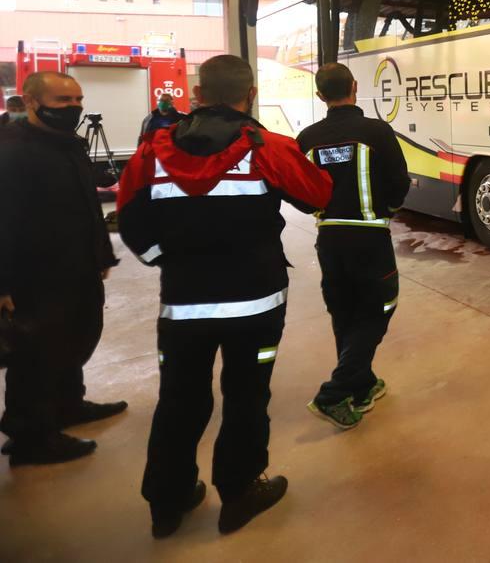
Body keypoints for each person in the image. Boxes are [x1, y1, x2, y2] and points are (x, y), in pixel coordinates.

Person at [116, 55, 332, 539]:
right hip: (256, 306)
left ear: (197, 94)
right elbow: (318, 194)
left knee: (178, 399)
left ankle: (167, 505)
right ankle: (238, 495)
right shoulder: (268, 147)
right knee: (247, 396)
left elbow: (128, 218)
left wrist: (162, 259)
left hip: (183, 305)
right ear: (250, 93)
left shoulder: (153, 150)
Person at [0, 72, 127, 465]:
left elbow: (88, 205)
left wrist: (102, 253)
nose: (73, 108)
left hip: (77, 266)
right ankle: (29, 436)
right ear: (32, 102)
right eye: (62, 101)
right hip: (36, 276)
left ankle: (68, 405)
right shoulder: (13, 152)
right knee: (36, 353)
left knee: (74, 339)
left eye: (77, 100)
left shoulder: (67, 144)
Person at [296, 63, 409, 429]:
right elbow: (398, 182)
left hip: (328, 239)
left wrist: (318, 209)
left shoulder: (307, 138)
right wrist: (386, 210)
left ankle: (361, 387)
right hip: (369, 237)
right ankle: (333, 393)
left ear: (320, 95)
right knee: (378, 308)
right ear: (354, 87)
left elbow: (297, 191)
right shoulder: (375, 131)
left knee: (344, 312)